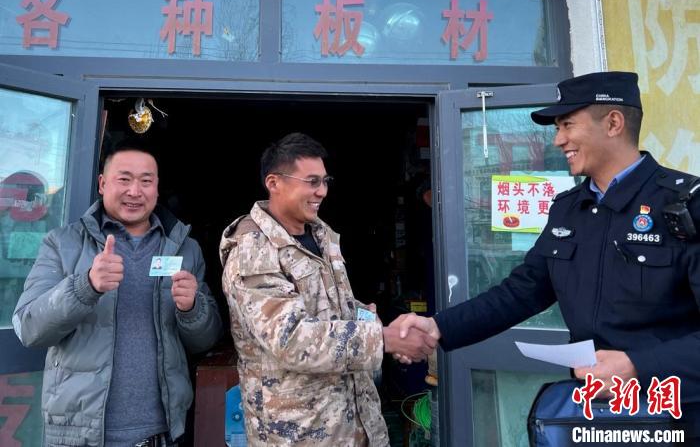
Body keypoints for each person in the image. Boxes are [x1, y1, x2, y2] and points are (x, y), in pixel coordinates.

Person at [392, 71, 700, 433]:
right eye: (557, 128)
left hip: (676, 417)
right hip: (594, 418)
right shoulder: (569, 209)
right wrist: (438, 326)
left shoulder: (684, 205)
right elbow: (521, 291)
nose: (558, 140)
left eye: (567, 125)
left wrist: (637, 365)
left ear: (613, 123)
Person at [219, 132, 436, 446]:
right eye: (311, 181)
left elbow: (325, 305)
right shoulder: (252, 251)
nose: (322, 191)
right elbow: (291, 338)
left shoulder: (320, 234)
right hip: (301, 434)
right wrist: (383, 340)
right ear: (274, 183)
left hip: (354, 424)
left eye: (324, 181)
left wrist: (364, 317)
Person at [12, 139, 222, 446]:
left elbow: (205, 341)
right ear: (102, 183)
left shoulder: (184, 248)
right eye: (124, 179)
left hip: (161, 433)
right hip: (81, 436)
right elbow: (29, 329)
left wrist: (192, 309)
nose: (135, 191)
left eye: (146, 181)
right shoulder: (63, 243)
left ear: (157, 188)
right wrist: (85, 286)